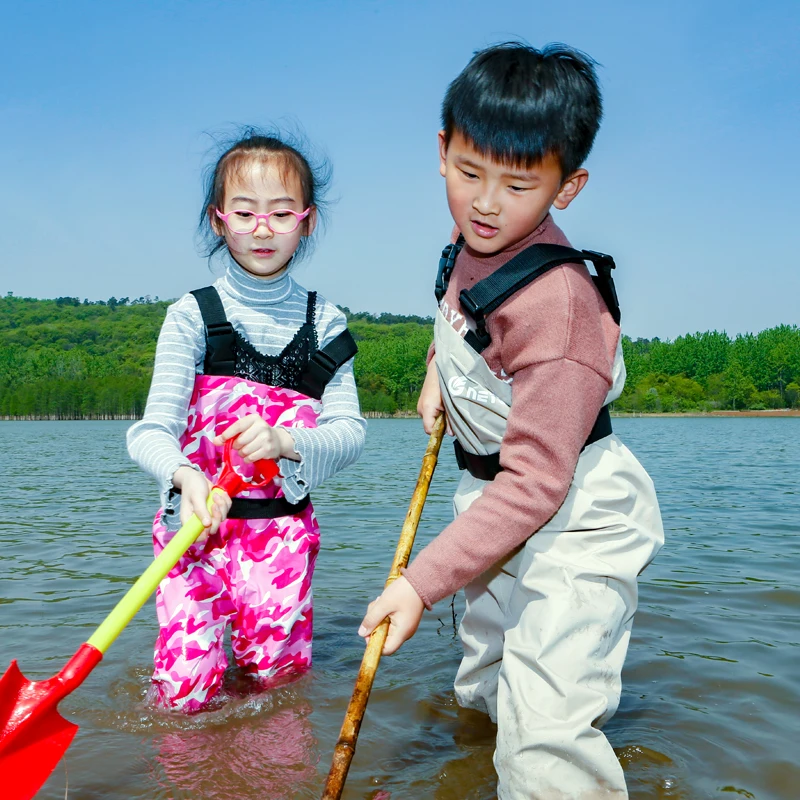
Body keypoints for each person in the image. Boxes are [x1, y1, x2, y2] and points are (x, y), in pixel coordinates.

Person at [358, 43, 664, 798]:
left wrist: (419, 584)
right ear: (442, 151)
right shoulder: (470, 247)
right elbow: (460, 319)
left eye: (518, 184)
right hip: (491, 495)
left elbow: (537, 485)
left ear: (569, 186)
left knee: (546, 728)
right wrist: (439, 376)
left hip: (574, 513)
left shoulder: (561, 307)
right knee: (486, 683)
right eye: (469, 174)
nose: (485, 204)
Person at [128, 129, 365, 712]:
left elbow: (350, 433)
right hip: (193, 533)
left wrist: (286, 440)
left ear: (306, 222)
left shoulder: (326, 324)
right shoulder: (189, 317)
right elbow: (150, 431)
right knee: (183, 697)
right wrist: (186, 479)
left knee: (275, 691)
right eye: (246, 212)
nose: (263, 228)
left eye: (282, 213)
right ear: (219, 220)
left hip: (280, 534)